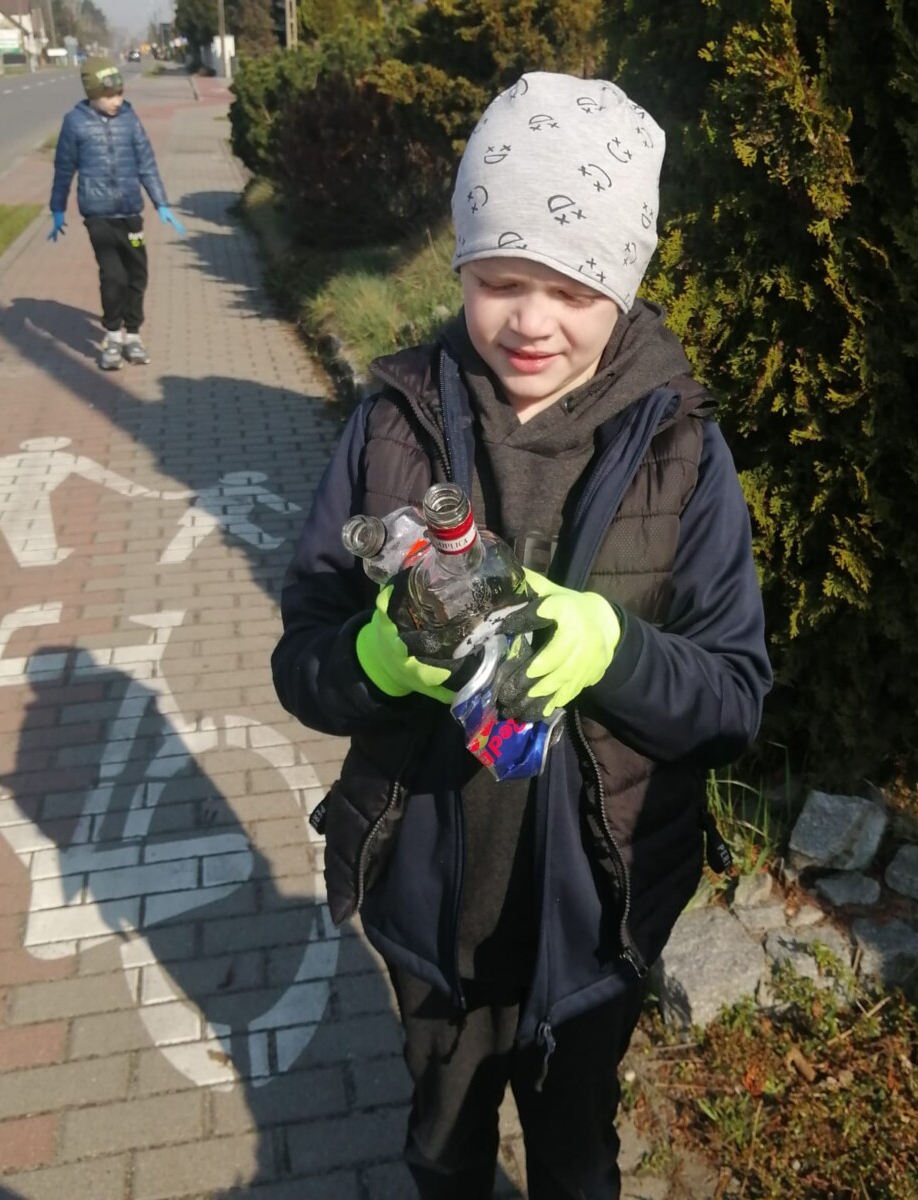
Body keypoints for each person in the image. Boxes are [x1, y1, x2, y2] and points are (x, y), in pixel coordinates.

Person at [272, 71, 773, 1200]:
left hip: (595, 924)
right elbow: (302, 656)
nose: (532, 320)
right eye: (500, 281)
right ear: (460, 268)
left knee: (577, 1154)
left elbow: (734, 696)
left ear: (625, 289)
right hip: (427, 909)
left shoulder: (684, 454)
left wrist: (614, 648)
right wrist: (372, 662)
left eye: (574, 289)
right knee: (442, 1146)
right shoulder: (391, 426)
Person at [47, 56, 186, 371]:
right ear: (92, 94)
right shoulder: (75, 123)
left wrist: (161, 203)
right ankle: (112, 337)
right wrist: (57, 208)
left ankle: (132, 335)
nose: (116, 102)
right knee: (113, 276)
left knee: (138, 272)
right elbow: (64, 169)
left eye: (119, 94)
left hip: (131, 216)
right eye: (109, 96)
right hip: (98, 217)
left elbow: (146, 163)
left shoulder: (130, 119)